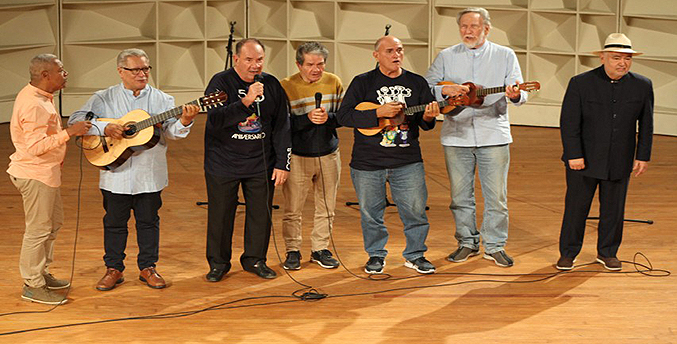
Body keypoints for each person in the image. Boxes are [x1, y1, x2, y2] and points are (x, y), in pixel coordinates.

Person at [68, 48, 199, 291]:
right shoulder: (103, 98)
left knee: (148, 222)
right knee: (114, 223)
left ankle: (148, 268)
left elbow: (172, 133)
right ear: (121, 71)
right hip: (114, 174)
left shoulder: (163, 100)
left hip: (149, 175)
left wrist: (185, 121)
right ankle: (113, 268)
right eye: (136, 69)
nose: (142, 74)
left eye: (146, 69)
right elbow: (75, 120)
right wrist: (104, 128)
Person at [425, 7, 527, 267]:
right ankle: (467, 243)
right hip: (455, 136)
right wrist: (443, 89)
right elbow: (427, 87)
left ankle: (494, 245)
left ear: (486, 29)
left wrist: (515, 95)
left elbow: (520, 91)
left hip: (493, 134)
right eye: (464, 27)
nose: (468, 31)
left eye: (474, 26)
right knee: (460, 197)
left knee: (497, 197)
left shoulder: (505, 55)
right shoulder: (447, 55)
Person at [337, 36, 440, 275]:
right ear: (377, 55)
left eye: (400, 50)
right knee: (371, 214)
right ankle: (375, 255)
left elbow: (425, 124)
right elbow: (344, 116)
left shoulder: (416, 82)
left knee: (415, 211)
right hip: (367, 161)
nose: (396, 55)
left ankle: (415, 255)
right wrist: (377, 112)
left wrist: (428, 116)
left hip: (407, 160)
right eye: (390, 51)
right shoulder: (362, 82)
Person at [556, 33, 653, 271]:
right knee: (576, 208)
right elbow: (569, 123)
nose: (622, 63)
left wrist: (642, 156)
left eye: (627, 58)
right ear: (603, 57)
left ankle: (608, 252)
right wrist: (573, 155)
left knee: (614, 209)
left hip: (619, 158)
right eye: (616, 57)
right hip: (584, 160)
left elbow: (646, 124)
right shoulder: (580, 83)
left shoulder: (642, 85)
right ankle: (568, 253)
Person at [203, 38, 291, 281]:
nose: (255, 65)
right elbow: (216, 119)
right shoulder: (220, 82)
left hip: (260, 162)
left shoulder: (271, 84)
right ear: (236, 59)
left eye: (260, 60)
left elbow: (282, 125)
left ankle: (255, 260)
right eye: (249, 60)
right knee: (221, 215)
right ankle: (218, 263)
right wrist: (246, 101)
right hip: (223, 162)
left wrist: (283, 162)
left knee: (260, 215)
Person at [8, 54, 92, 304]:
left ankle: (41, 273)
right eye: (61, 70)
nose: (65, 74)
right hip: (35, 174)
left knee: (52, 225)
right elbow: (35, 147)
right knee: (38, 230)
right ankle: (32, 284)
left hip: (46, 173)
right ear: (45, 75)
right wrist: (69, 132)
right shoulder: (34, 104)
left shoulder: (40, 96)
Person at [279, 42, 343, 270]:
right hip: (298, 156)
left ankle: (320, 249)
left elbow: (342, 116)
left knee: (327, 207)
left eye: (320, 64)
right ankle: (292, 250)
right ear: (299, 64)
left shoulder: (333, 81)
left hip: (329, 154)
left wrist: (330, 118)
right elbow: (282, 124)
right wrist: (307, 118)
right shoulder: (286, 86)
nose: (316, 69)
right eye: (310, 65)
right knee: (293, 208)